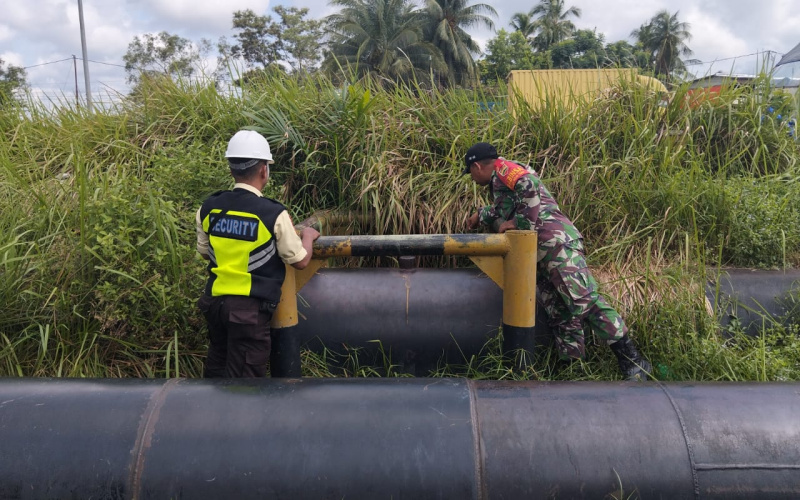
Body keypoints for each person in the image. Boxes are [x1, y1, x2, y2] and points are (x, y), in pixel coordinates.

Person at [463, 142, 651, 380]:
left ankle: (633, 361)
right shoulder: (499, 181)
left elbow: (528, 186)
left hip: (557, 246)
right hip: (541, 254)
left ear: (477, 166)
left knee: (584, 301)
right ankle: (572, 370)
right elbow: (505, 206)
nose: (471, 177)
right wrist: (481, 214)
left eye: (470, 171)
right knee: (560, 311)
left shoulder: (505, 171)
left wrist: (521, 225)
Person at [196, 130, 320, 378]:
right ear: (265, 170)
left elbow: (205, 253)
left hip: (215, 306)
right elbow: (301, 260)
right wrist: (307, 236)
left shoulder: (208, 207)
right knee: (245, 384)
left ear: (231, 169)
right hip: (248, 314)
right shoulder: (272, 213)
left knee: (216, 374)